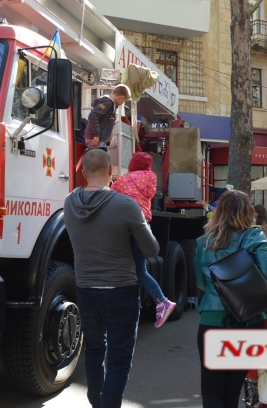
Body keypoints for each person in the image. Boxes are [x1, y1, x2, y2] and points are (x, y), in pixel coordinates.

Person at [64, 149, 160, 408]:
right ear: (110, 172)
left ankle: (97, 402)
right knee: (119, 358)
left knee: (94, 351)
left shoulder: (69, 202)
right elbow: (151, 250)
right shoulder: (126, 205)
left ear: (83, 173)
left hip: (85, 290)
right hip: (121, 291)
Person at [194, 190, 267, 408]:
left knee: (211, 389)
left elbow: (201, 282)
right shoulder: (255, 236)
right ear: (247, 211)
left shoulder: (203, 242)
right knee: (233, 389)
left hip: (213, 319)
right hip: (248, 318)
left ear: (219, 212)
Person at [111, 151, 176, 327]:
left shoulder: (123, 180)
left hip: (127, 226)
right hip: (144, 225)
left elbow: (109, 195)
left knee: (133, 269)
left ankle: (162, 301)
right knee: (139, 269)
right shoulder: (151, 179)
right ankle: (145, 302)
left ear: (132, 165)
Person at [85, 84, 132, 149]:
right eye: (124, 101)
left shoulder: (110, 104)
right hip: (96, 139)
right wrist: (96, 135)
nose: (122, 103)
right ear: (121, 97)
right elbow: (93, 115)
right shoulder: (108, 103)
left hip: (99, 139)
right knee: (97, 158)